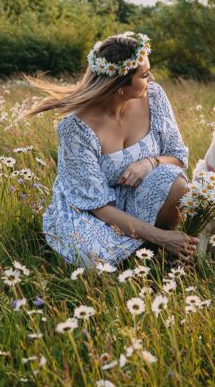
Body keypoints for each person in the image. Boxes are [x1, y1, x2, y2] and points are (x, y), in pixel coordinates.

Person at [20, 32, 198, 266]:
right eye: (144, 75)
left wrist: (150, 163)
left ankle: (158, 253)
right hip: (89, 209)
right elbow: (98, 207)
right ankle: (155, 244)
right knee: (95, 259)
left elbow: (177, 156)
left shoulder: (153, 96)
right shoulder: (76, 129)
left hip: (134, 195)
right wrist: (161, 236)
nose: (151, 79)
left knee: (175, 182)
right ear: (119, 85)